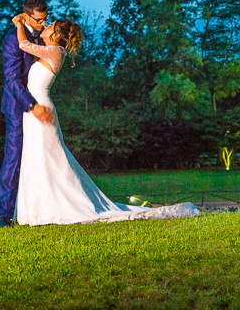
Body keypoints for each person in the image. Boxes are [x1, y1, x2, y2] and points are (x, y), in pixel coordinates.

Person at [11, 14, 199, 225]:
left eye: (50, 26)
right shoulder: (49, 50)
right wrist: (26, 24)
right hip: (33, 109)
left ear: (56, 36)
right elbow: (31, 43)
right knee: (37, 157)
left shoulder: (55, 51)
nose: (45, 26)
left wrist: (19, 23)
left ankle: (57, 207)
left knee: (48, 158)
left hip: (41, 108)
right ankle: (38, 209)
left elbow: (24, 44)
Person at [0, 0, 54, 227]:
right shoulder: (11, 39)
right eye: (39, 21)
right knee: (14, 157)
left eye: (45, 20)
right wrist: (31, 106)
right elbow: (11, 79)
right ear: (26, 15)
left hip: (39, 103)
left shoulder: (42, 35)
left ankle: (39, 209)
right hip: (18, 107)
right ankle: (4, 215)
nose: (42, 24)